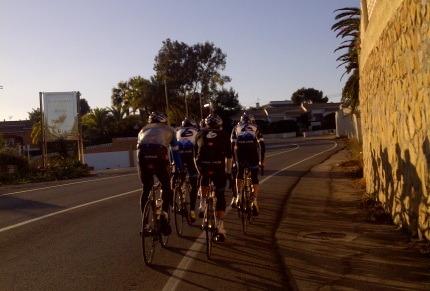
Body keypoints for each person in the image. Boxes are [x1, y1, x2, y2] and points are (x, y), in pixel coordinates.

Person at [137, 112, 183, 236]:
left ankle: (145, 224)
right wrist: (180, 167)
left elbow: (139, 147)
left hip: (142, 154)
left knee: (146, 188)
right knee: (165, 185)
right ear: (164, 123)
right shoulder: (170, 130)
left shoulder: (142, 130)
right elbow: (175, 153)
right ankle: (164, 213)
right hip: (160, 154)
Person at [194, 114, 232, 241]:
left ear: (206, 125)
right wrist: (228, 172)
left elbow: (195, 156)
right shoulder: (225, 135)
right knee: (220, 195)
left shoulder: (199, 134)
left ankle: (203, 203)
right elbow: (229, 157)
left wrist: (198, 171)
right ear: (220, 125)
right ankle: (220, 227)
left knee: (203, 175)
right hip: (218, 167)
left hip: (203, 165)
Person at [230, 112, 265, 216]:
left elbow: (232, 146)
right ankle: (254, 200)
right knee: (254, 176)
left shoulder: (236, 127)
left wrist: (233, 160)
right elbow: (262, 146)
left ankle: (239, 195)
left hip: (239, 151)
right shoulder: (256, 127)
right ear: (251, 121)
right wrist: (262, 162)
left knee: (239, 172)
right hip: (252, 152)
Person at [175, 117, 199, 222]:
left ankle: (181, 195)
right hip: (191, 156)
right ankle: (192, 210)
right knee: (194, 185)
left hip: (179, 156)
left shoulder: (177, 131)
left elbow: (173, 146)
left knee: (180, 175)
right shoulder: (197, 131)